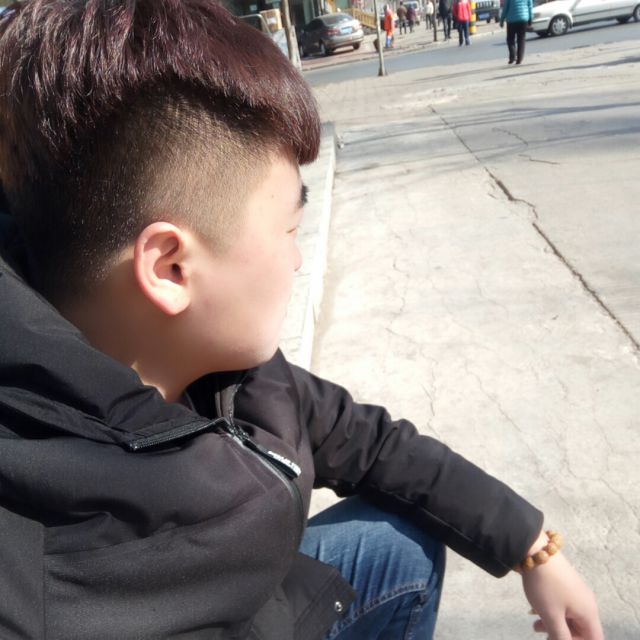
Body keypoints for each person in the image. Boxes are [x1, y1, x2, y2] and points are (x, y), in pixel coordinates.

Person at [0, 1, 604, 639]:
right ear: (171, 268)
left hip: (274, 601)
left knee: (400, 543)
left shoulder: (223, 366)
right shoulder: (47, 579)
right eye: (289, 229)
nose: (294, 258)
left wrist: (533, 545)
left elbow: (363, 437)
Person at [500, 0, 533, 64]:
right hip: (523, 19)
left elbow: (505, 8)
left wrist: (502, 20)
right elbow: (530, 7)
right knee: (521, 39)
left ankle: (512, 56)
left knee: (510, 39)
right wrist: (530, 20)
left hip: (511, 21)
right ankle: (519, 59)